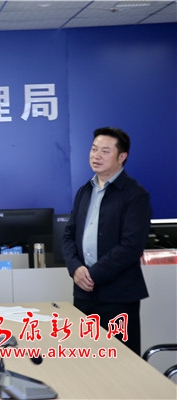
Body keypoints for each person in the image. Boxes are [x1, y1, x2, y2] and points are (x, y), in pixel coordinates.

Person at [62, 127, 151, 355]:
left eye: (105, 151)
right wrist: (76, 269)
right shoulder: (84, 191)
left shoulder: (135, 195)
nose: (96, 156)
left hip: (118, 295)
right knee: (86, 358)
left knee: (120, 359)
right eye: (94, 149)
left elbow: (131, 246)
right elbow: (68, 236)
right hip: (84, 294)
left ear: (122, 157)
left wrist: (93, 274)